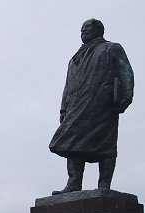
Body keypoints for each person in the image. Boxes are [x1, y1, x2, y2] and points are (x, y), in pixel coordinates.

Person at [49, 19, 134, 194]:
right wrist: (63, 109)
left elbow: (126, 73)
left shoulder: (111, 48)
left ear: (99, 30)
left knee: (106, 145)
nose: (83, 32)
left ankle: (104, 184)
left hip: (101, 106)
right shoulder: (75, 58)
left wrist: (124, 98)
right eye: (81, 30)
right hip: (76, 107)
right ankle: (74, 183)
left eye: (86, 29)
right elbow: (68, 85)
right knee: (71, 143)